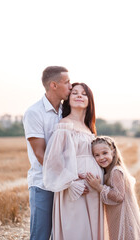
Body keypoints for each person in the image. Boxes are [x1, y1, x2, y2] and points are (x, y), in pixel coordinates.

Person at [43, 83, 104, 240]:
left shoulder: (89, 128)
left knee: (92, 232)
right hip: (75, 189)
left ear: (89, 100)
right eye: (74, 93)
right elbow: (54, 160)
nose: (79, 95)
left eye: (83, 94)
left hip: (93, 190)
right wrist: (71, 184)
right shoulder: (64, 125)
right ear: (68, 99)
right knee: (77, 231)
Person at [23, 66, 72, 240]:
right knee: (41, 236)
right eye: (66, 82)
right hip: (43, 184)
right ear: (53, 85)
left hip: (66, 185)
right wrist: (68, 177)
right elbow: (40, 154)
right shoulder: (34, 113)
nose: (71, 86)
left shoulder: (66, 111)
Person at [86, 136, 140, 240]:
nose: (101, 157)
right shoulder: (108, 171)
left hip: (124, 219)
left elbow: (119, 196)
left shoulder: (116, 171)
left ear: (113, 151)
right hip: (116, 217)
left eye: (105, 153)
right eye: (97, 155)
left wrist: (98, 187)